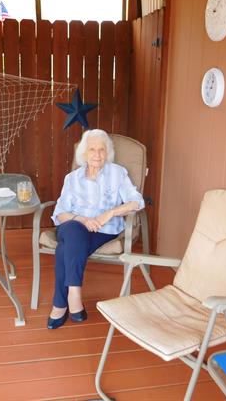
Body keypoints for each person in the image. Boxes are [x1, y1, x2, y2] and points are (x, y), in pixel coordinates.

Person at [48, 129, 145, 329]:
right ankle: (74, 293)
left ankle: (60, 304)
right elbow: (59, 214)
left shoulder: (118, 173)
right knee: (74, 229)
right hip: (73, 226)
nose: (97, 154)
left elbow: (137, 202)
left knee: (64, 249)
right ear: (84, 153)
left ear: (107, 152)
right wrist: (82, 219)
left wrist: (109, 213)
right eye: (92, 149)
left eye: (102, 149)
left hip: (103, 231)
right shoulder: (72, 178)